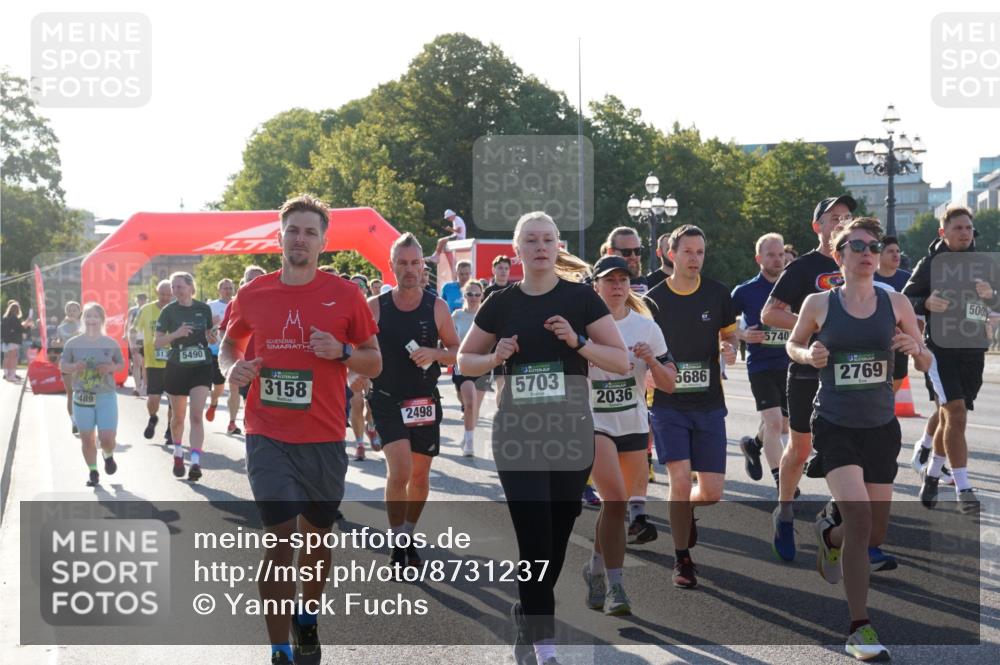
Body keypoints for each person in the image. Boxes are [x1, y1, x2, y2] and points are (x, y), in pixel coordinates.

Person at [458, 211, 628, 665]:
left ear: (558, 248)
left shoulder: (581, 300)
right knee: (534, 541)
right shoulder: (500, 303)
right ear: (517, 249)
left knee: (553, 541)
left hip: (571, 435)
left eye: (547, 239)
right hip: (518, 437)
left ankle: (525, 609)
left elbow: (621, 361)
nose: (539, 246)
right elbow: (463, 361)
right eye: (530, 240)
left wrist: (577, 342)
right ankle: (543, 643)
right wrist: (495, 355)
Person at [222, 194, 381, 665]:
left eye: (311, 232)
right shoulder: (253, 294)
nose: (301, 239)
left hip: (324, 437)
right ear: (280, 236)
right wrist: (232, 368)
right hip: (267, 434)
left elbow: (374, 361)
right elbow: (229, 345)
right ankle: (279, 650)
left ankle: (307, 617)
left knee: (316, 539)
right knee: (280, 538)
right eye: (293, 230)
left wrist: (344, 352)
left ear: (323, 242)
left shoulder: (347, 296)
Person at [788, 216, 930, 661]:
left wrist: (914, 349)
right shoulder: (819, 303)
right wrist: (808, 353)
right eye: (857, 245)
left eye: (874, 246)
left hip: (881, 427)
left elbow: (925, 360)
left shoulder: (898, 304)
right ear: (839, 255)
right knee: (862, 519)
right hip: (835, 423)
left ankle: (831, 537)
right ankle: (859, 627)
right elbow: (792, 345)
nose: (868, 252)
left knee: (871, 531)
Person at [762, 194, 856, 560]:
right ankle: (784, 512)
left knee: (847, 448)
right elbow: (771, 314)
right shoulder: (802, 268)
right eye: (834, 217)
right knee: (800, 449)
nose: (841, 222)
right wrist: (814, 325)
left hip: (848, 374)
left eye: (847, 216)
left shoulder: (861, 263)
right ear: (818, 226)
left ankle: (838, 519)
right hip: (806, 369)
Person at [582, 255, 675, 616]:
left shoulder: (646, 327)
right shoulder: (583, 327)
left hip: (634, 424)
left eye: (623, 280)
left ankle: (594, 567)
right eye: (610, 281)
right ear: (596, 287)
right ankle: (616, 587)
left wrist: (652, 361)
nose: (618, 287)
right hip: (594, 423)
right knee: (617, 500)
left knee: (614, 507)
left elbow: (670, 383)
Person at [646, 224, 737, 589]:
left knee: (711, 493)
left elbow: (729, 334)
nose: (695, 258)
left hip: (710, 403)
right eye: (688, 252)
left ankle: (683, 513)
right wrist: (649, 371)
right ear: (672, 254)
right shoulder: (653, 300)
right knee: (680, 480)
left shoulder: (717, 294)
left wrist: (730, 347)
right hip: (668, 404)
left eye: (700, 252)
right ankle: (682, 558)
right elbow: (642, 344)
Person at [367, 233, 461, 568]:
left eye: (415, 263)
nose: (409, 269)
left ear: (423, 266)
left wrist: (434, 353)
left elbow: (454, 353)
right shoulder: (376, 306)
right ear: (391, 266)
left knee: (420, 476)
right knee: (401, 469)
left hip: (423, 399)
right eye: (402, 263)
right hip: (387, 399)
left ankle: (407, 534)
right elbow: (360, 350)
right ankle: (395, 539)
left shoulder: (436, 306)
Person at [903, 206, 997, 514]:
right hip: (939, 350)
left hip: (972, 350)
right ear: (943, 232)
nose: (965, 233)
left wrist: (990, 293)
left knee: (950, 418)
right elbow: (905, 300)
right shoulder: (930, 264)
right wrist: (926, 301)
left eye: (969, 228)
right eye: (958, 228)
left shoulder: (982, 264)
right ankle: (963, 488)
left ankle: (931, 476)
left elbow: (995, 304)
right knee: (955, 414)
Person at [732, 233, 791, 498]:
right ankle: (782, 482)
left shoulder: (795, 286)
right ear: (759, 259)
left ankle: (753, 445)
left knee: (786, 424)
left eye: (780, 254)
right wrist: (743, 335)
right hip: (761, 365)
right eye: (771, 255)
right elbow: (726, 323)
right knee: (775, 422)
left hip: (791, 363)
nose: (777, 259)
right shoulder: (744, 291)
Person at [155, 272, 216, 482]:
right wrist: (176, 334)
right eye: (173, 287)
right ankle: (179, 452)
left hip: (201, 365)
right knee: (178, 418)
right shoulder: (168, 311)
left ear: (191, 287)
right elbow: (157, 343)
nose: (175, 291)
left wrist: (212, 335)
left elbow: (209, 335)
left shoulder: (203, 308)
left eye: (179, 286)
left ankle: (196, 462)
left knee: (196, 416)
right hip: (177, 366)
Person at [59, 302, 126, 486]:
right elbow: (63, 365)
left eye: (95, 316)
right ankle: (93, 472)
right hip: (82, 397)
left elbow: (121, 364)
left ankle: (108, 454)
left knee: (107, 439)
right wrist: (74, 367)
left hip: (106, 397)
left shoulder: (110, 343)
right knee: (87, 440)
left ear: (101, 320)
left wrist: (111, 367)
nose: (91, 320)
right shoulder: (73, 343)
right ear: (83, 319)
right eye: (88, 316)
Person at [221, 265, 266, 435]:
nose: (254, 283)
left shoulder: (274, 302)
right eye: (250, 280)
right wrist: (228, 358)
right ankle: (233, 421)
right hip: (240, 359)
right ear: (244, 282)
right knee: (235, 391)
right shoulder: (236, 303)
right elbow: (223, 331)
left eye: (258, 279)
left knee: (254, 400)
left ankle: (251, 425)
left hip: (263, 361)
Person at [451, 279, 489, 457]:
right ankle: (469, 437)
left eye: (477, 294)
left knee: (473, 406)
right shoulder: (457, 315)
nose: (473, 297)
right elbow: (448, 340)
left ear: (482, 296)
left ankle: (469, 440)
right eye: (469, 294)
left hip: (482, 364)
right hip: (463, 364)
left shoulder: (486, 315)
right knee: (468, 403)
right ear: (464, 296)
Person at [873, 236, 913, 395]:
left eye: (898, 251)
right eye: (890, 251)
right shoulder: (868, 277)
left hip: (899, 341)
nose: (896, 255)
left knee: (895, 384)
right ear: (879, 255)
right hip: (873, 341)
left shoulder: (908, 279)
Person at [136, 281, 173, 441]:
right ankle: (153, 417)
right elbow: (135, 330)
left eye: (168, 294)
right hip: (153, 362)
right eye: (162, 294)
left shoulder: (177, 310)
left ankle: (171, 430)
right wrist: (135, 348)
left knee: (174, 400)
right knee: (153, 398)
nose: (165, 297)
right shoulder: (146, 310)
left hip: (174, 362)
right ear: (157, 293)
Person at [206, 279, 236, 423]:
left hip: (232, 351)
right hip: (213, 350)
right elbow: (202, 327)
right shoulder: (211, 306)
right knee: (215, 386)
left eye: (230, 288)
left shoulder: (237, 304)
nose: (228, 291)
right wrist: (211, 323)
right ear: (219, 290)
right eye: (225, 288)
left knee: (225, 386)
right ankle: (213, 402)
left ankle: (230, 419)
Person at [55, 302, 83, 433]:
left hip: (82, 362)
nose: (72, 312)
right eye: (69, 310)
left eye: (74, 310)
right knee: (70, 393)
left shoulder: (85, 325)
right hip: (67, 361)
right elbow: (58, 343)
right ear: (66, 312)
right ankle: (74, 421)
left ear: (79, 311)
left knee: (83, 391)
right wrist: (56, 343)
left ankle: (85, 419)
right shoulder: (61, 327)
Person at [604, 226, 649, 295]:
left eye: (637, 251)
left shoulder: (644, 283)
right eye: (626, 252)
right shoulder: (592, 288)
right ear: (610, 252)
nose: (633, 256)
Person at [2, 300, 34, 381]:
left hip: (5, 341)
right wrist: (29, 325)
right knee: (13, 358)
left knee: (8, 358)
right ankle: (11, 376)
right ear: (17, 310)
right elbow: (21, 329)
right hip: (13, 341)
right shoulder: (14, 318)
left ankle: (6, 374)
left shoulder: (6, 318)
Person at [125, 293, 148, 396]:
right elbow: (128, 323)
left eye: (143, 299)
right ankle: (137, 387)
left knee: (145, 364)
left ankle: (144, 385)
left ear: (146, 300)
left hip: (147, 338)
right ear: (136, 300)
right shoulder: (132, 310)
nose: (141, 301)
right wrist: (125, 334)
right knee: (136, 362)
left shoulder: (149, 309)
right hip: (136, 338)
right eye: (139, 299)